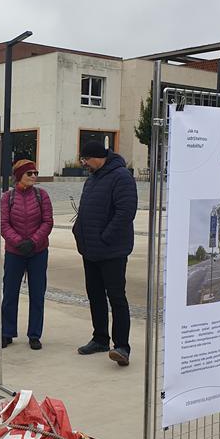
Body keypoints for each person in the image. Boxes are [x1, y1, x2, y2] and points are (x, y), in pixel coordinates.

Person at [72, 140, 138, 366]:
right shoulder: (93, 179)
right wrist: (78, 232)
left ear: (98, 157)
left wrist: (105, 237)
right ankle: (100, 338)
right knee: (95, 295)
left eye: (86, 159)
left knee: (117, 297)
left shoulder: (121, 177)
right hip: (90, 250)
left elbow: (126, 212)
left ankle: (122, 347)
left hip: (112, 251)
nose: (84, 164)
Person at [0, 158, 54, 350]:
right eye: (29, 173)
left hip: (38, 252)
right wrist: (18, 242)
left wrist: (33, 241)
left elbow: (48, 221)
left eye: (35, 173)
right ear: (19, 176)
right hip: (15, 252)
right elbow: (4, 224)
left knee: (37, 294)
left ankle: (34, 334)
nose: (34, 176)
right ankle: (6, 332)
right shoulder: (7, 197)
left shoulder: (42, 195)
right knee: (10, 293)